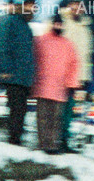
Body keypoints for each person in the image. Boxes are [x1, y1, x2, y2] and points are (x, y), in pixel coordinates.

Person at [32, 10, 80, 154]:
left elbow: (73, 65)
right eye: (56, 23)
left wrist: (71, 84)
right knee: (43, 118)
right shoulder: (40, 41)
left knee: (56, 119)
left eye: (60, 24)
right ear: (51, 24)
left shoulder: (67, 44)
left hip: (60, 88)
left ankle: (53, 144)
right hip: (43, 86)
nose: (58, 26)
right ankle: (44, 144)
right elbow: (33, 61)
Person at [0, 0, 35, 147]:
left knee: (21, 109)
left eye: (33, 7)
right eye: (29, 6)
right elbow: (4, 46)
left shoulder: (26, 25)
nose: (31, 9)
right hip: (13, 74)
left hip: (23, 76)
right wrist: (6, 69)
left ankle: (16, 137)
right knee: (16, 108)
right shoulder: (11, 21)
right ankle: (14, 140)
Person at [57, 0, 92, 150]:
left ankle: (64, 140)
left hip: (76, 77)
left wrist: (85, 77)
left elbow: (87, 55)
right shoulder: (62, 23)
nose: (77, 9)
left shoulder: (86, 29)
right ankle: (53, 140)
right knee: (56, 109)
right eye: (74, 6)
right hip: (60, 74)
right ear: (69, 7)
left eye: (80, 7)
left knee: (69, 110)